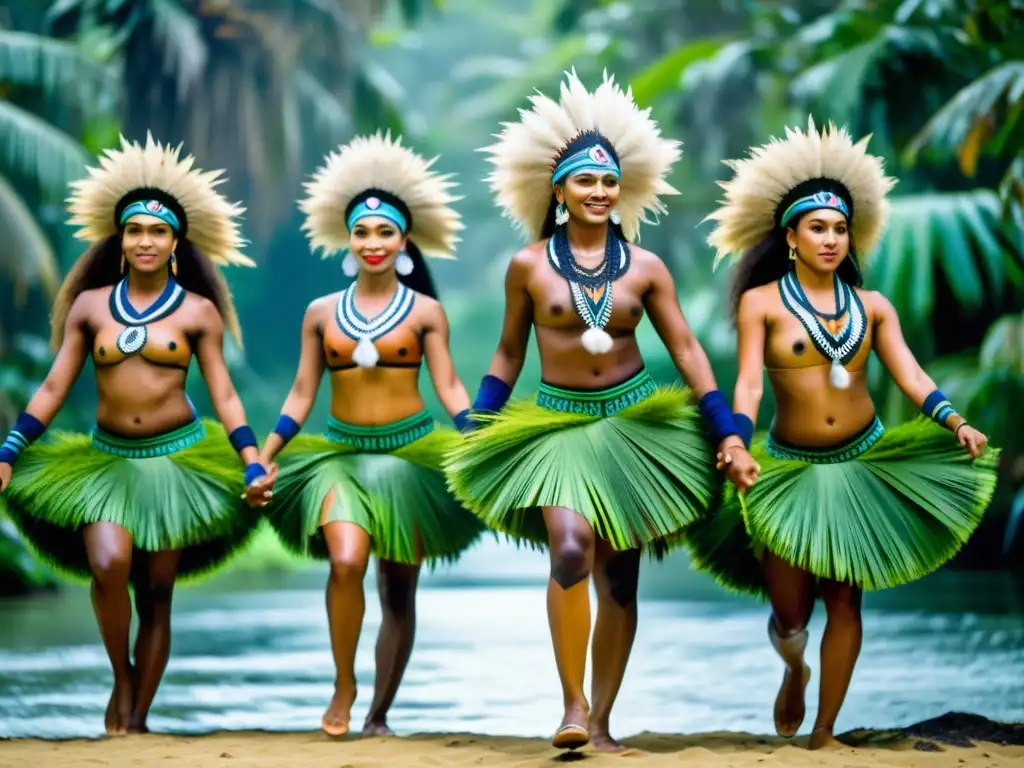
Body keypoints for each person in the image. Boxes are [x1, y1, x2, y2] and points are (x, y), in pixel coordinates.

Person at [443, 70, 759, 753]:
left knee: (621, 573)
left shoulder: (644, 267)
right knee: (569, 549)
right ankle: (572, 703)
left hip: (636, 426)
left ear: (622, 190)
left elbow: (687, 351)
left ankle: (606, 722)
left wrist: (728, 432)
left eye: (609, 182)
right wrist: (477, 422)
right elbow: (506, 354)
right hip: (557, 425)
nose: (598, 192)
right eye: (585, 182)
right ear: (558, 190)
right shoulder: (528, 265)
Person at [684, 117, 1000, 749]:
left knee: (846, 602)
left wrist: (954, 419)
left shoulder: (872, 305)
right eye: (817, 228)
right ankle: (795, 667)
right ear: (792, 238)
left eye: (839, 229)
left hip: (861, 465)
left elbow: (908, 373)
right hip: (789, 468)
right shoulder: (762, 303)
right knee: (790, 614)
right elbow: (747, 383)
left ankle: (824, 732)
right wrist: (738, 441)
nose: (831, 239)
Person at [0, 133, 274, 735]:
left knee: (156, 590)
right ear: (118, 239)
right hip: (105, 461)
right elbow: (52, 387)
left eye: (158, 232)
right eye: (135, 231)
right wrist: (9, 449)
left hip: (175, 464)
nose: (145, 241)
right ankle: (120, 678)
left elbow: (224, 393)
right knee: (108, 562)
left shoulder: (197, 312)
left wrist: (250, 458)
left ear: (177, 242)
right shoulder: (90, 307)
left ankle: (138, 716)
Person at [255, 132, 486, 738]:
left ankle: (379, 712)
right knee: (347, 559)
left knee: (398, 590)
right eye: (362, 232)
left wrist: (480, 440)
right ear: (348, 239)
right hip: (340, 456)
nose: (373, 243)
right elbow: (302, 394)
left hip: (411, 458)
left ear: (403, 241)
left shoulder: (426, 313)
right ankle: (343, 683)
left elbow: (451, 389)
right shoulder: (320, 312)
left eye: (384, 233)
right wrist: (264, 456)